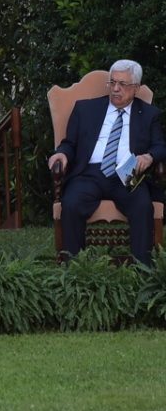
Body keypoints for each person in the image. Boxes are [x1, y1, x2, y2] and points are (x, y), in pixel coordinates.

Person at [48, 59, 166, 264]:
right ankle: (73, 268)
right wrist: (62, 154)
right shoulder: (85, 109)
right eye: (112, 83)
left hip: (126, 172)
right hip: (89, 172)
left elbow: (159, 146)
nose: (116, 89)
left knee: (142, 206)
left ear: (136, 88)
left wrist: (149, 156)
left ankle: (143, 270)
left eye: (123, 84)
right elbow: (69, 143)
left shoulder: (149, 114)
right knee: (72, 203)